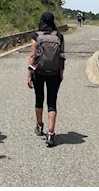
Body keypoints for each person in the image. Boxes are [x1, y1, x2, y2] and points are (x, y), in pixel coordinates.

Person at [27, 11, 65, 147]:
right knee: (52, 101)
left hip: (39, 71)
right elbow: (61, 57)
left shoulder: (36, 36)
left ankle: (39, 125)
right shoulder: (59, 36)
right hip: (54, 72)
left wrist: (29, 74)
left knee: (39, 98)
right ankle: (51, 132)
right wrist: (61, 73)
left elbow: (32, 56)